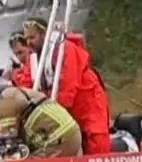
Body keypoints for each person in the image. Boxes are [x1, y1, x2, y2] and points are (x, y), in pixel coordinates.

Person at [21, 18, 111, 154]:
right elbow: (25, 86)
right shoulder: (33, 59)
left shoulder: (66, 49)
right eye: (26, 38)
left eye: (32, 37)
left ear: (44, 34)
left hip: (88, 104)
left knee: (96, 143)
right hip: (64, 109)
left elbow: (69, 86)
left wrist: (52, 113)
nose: (29, 42)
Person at [0, 84, 82, 158]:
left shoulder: (5, 99)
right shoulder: (24, 95)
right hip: (68, 133)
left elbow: (8, 139)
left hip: (59, 137)